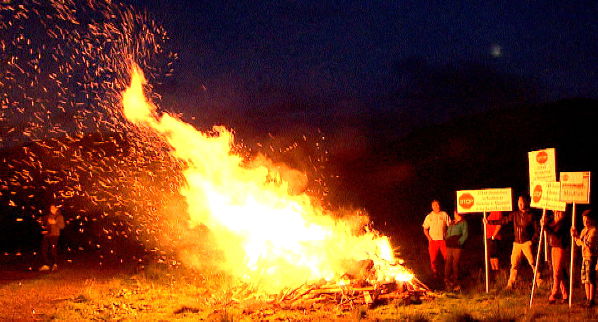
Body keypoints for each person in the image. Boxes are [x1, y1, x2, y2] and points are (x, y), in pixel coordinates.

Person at [486, 195, 542, 289]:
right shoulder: (515, 214)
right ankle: (510, 284)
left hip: (526, 243)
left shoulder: (531, 215)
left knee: (533, 263)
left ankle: (539, 282)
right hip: (516, 243)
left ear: (526, 203)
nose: (520, 204)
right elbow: (503, 221)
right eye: (519, 202)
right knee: (514, 264)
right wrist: (490, 222)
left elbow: (537, 230)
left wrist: (533, 241)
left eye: (522, 202)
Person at [571, 209, 597, 307]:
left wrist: (578, 238)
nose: (585, 222)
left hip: (591, 257)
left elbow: (588, 244)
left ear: (591, 220)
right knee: (585, 279)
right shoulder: (584, 230)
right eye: (584, 220)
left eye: (587, 220)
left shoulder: (594, 231)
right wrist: (575, 236)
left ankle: (591, 299)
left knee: (590, 278)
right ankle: (587, 299)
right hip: (584, 257)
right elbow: (579, 243)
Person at [543, 210, 569, 304]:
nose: (557, 213)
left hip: (561, 248)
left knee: (557, 272)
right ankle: (565, 295)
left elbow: (555, 232)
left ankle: (554, 293)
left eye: (559, 212)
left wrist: (545, 227)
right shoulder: (553, 221)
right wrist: (544, 223)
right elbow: (547, 226)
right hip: (553, 247)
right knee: (558, 272)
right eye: (556, 212)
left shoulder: (563, 223)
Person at [422, 200, 451, 279]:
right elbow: (425, 229)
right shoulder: (429, 216)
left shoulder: (444, 214)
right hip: (433, 241)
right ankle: (435, 274)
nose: (436, 206)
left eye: (438, 205)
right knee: (433, 259)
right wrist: (429, 238)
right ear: (432, 207)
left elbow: (450, 225)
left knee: (447, 257)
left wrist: (448, 236)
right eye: (434, 205)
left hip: (442, 240)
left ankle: (447, 274)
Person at [444, 211, 468, 291]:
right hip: (449, 245)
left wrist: (459, 242)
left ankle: (456, 281)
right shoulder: (452, 222)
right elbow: (448, 232)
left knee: (455, 263)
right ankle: (446, 280)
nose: (454, 214)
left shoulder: (463, 222)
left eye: (455, 213)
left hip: (457, 246)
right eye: (454, 213)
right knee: (448, 262)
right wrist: (446, 238)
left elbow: (465, 234)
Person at [39, 204, 65, 272]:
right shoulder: (48, 216)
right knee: (44, 250)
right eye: (50, 208)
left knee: (53, 250)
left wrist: (55, 222)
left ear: (56, 208)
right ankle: (46, 264)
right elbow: (46, 225)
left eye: (53, 208)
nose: (51, 209)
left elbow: (62, 226)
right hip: (47, 235)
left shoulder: (60, 216)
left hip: (55, 235)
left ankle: (55, 264)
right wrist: (44, 230)